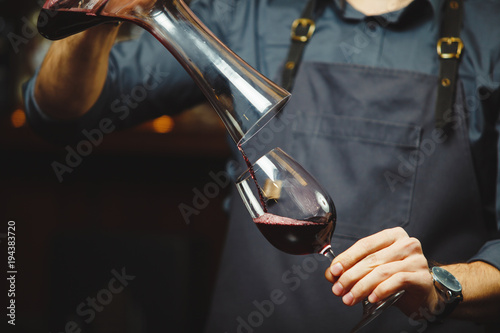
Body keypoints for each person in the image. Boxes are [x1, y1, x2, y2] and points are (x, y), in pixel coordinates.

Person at [23, 0, 500, 332]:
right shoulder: (246, 10)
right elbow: (64, 114)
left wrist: (444, 285)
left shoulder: (490, 30)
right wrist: (100, 11)